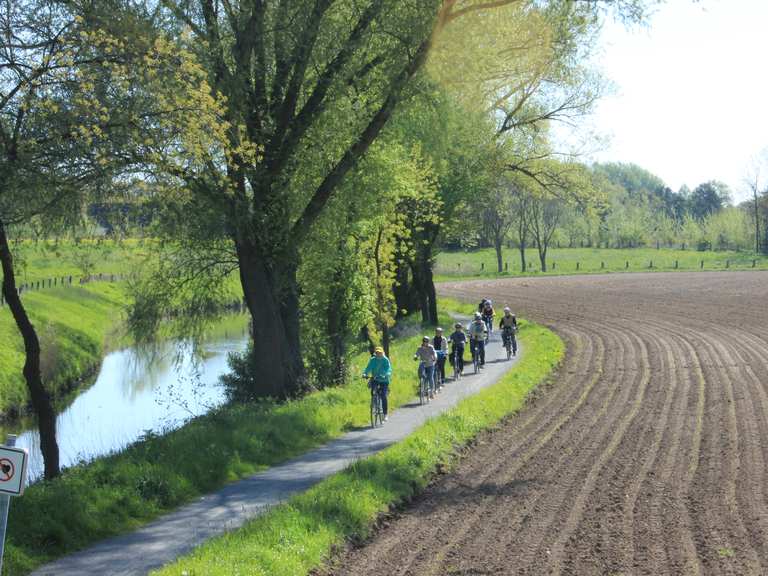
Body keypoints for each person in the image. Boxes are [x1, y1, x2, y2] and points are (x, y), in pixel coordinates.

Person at [362, 346, 392, 421]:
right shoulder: (373, 360)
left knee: (383, 396)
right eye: (377, 353)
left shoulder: (385, 360)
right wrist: (365, 374)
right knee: (373, 392)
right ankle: (375, 403)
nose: (378, 354)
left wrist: (386, 374)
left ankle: (385, 414)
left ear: (382, 353)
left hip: (384, 380)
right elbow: (368, 368)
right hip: (375, 378)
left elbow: (389, 369)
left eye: (380, 353)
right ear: (375, 353)